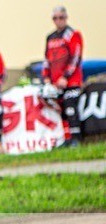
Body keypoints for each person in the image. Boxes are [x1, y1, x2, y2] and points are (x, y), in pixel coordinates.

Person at [42, 5, 84, 147]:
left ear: (66, 18)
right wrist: (46, 77)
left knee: (70, 106)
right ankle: (67, 138)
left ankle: (76, 138)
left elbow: (75, 57)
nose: (58, 21)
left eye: (61, 17)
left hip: (71, 82)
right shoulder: (50, 37)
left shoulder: (73, 34)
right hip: (55, 84)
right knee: (61, 110)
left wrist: (66, 76)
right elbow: (47, 60)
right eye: (55, 18)